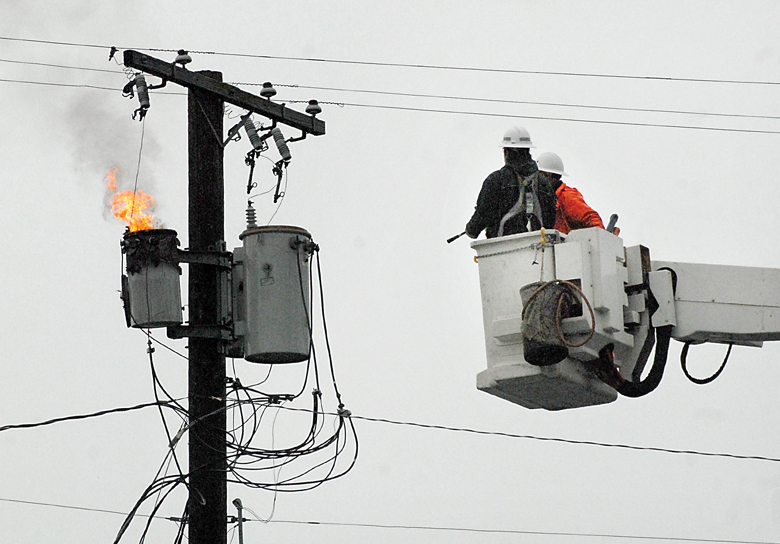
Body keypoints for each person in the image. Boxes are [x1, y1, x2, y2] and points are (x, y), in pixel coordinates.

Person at [465, 127, 556, 239]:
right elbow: (550, 219)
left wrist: (470, 229)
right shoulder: (544, 183)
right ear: (528, 151)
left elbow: (481, 216)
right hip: (540, 250)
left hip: (503, 251)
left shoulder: (496, 180)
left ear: (506, 152)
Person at [536, 152, 604, 234]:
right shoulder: (542, 197)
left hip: (567, 244)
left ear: (548, 175)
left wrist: (600, 239)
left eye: (539, 175)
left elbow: (590, 217)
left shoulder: (566, 196)